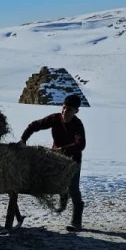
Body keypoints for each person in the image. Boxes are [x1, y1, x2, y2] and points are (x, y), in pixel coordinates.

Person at [19, 93, 87, 232]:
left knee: (73, 188)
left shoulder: (77, 124)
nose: (64, 112)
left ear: (76, 111)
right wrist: (23, 139)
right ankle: (63, 193)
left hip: (72, 161)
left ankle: (76, 220)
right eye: (63, 108)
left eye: (69, 110)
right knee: (54, 184)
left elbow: (81, 144)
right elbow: (35, 125)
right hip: (56, 159)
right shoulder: (55, 118)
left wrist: (63, 150)